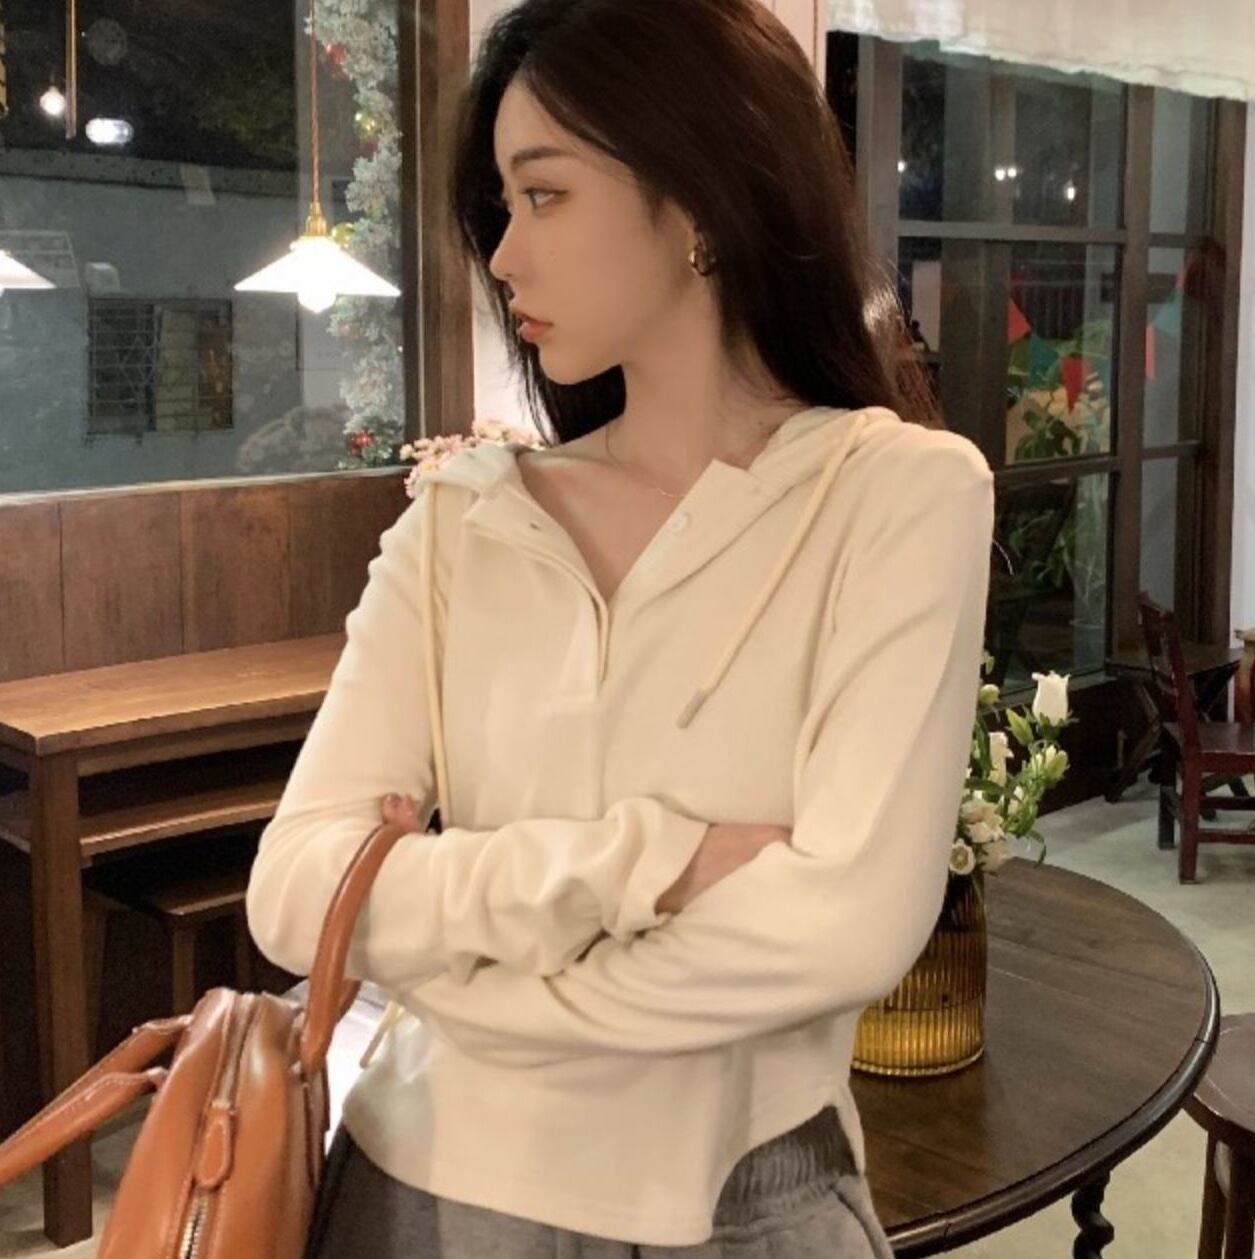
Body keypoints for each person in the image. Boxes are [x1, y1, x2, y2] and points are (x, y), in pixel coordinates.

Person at [244, 0, 995, 1255]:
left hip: (738, 1210)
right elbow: (293, 891)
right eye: (502, 206)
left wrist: (449, 967)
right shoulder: (461, 519)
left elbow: (844, 927)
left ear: (699, 198)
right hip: (410, 1199)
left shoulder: (897, 495)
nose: (502, 257)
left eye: (544, 196)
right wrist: (654, 860)